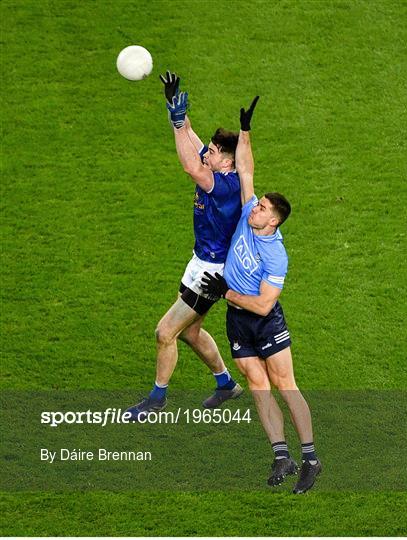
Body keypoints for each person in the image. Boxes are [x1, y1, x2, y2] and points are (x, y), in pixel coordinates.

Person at [200, 97, 322, 494]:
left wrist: (228, 293)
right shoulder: (251, 210)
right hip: (237, 317)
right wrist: (246, 130)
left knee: (285, 384)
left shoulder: (276, 253)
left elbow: (265, 304)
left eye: (262, 209)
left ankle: (310, 459)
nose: (253, 209)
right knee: (257, 385)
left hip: (263, 318)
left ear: (273, 220)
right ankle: (280, 455)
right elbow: (247, 170)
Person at [126, 72, 243, 419]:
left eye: (216, 152)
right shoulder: (217, 163)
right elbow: (191, 139)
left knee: (165, 332)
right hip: (200, 262)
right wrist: (174, 107)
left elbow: (192, 165)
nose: (209, 152)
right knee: (191, 332)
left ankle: (157, 399)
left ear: (229, 162)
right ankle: (225, 385)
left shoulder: (224, 186)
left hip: (211, 273)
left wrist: (178, 126)